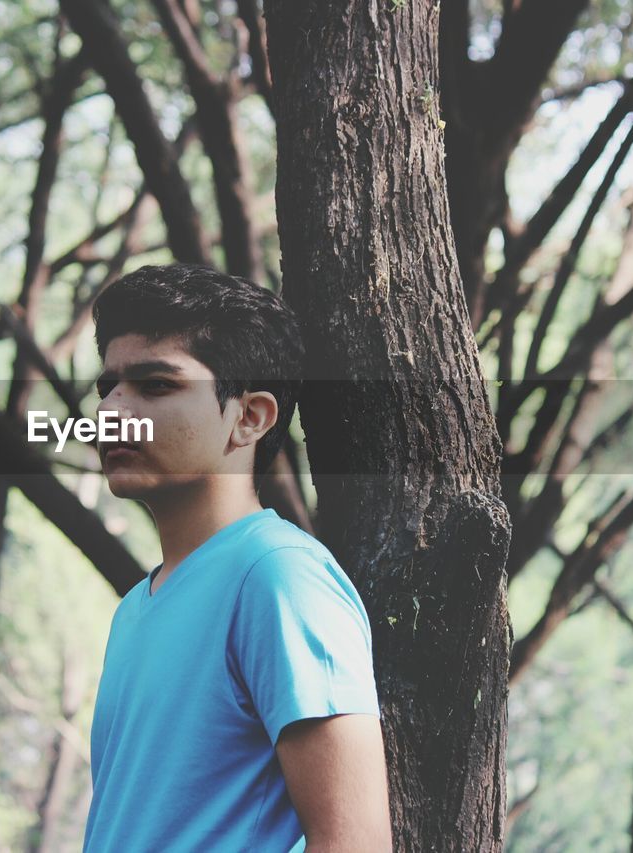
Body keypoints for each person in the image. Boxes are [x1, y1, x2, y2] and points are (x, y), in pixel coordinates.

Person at [81, 263, 391, 852]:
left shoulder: (278, 576)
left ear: (249, 417)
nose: (113, 410)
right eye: (108, 387)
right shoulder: (133, 610)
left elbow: (355, 843)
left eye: (156, 385)